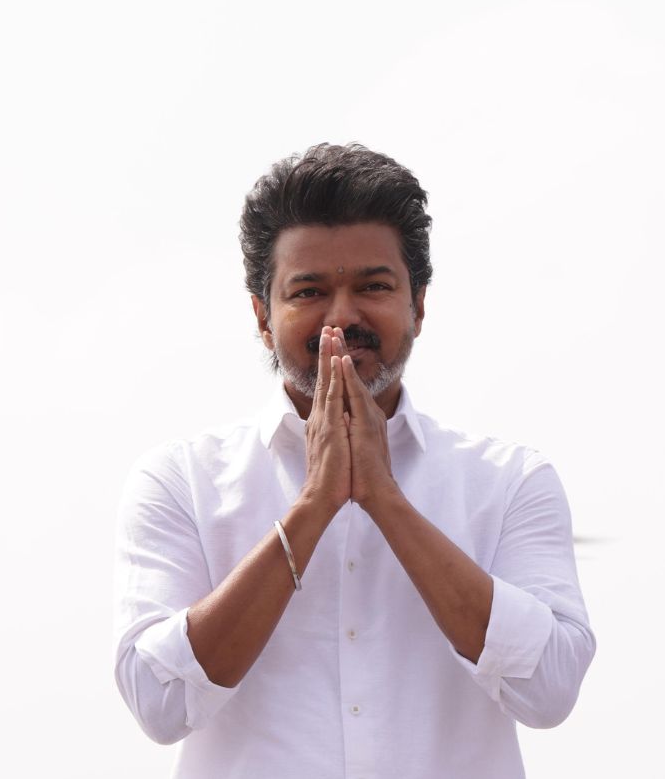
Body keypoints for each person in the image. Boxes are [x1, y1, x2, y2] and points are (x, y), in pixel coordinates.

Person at [113, 143, 595, 778]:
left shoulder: (509, 482)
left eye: (373, 287)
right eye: (309, 291)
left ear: (418, 304)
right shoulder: (182, 481)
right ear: (263, 316)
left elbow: (550, 690)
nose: (342, 316)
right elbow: (160, 704)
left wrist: (386, 501)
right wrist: (314, 506)